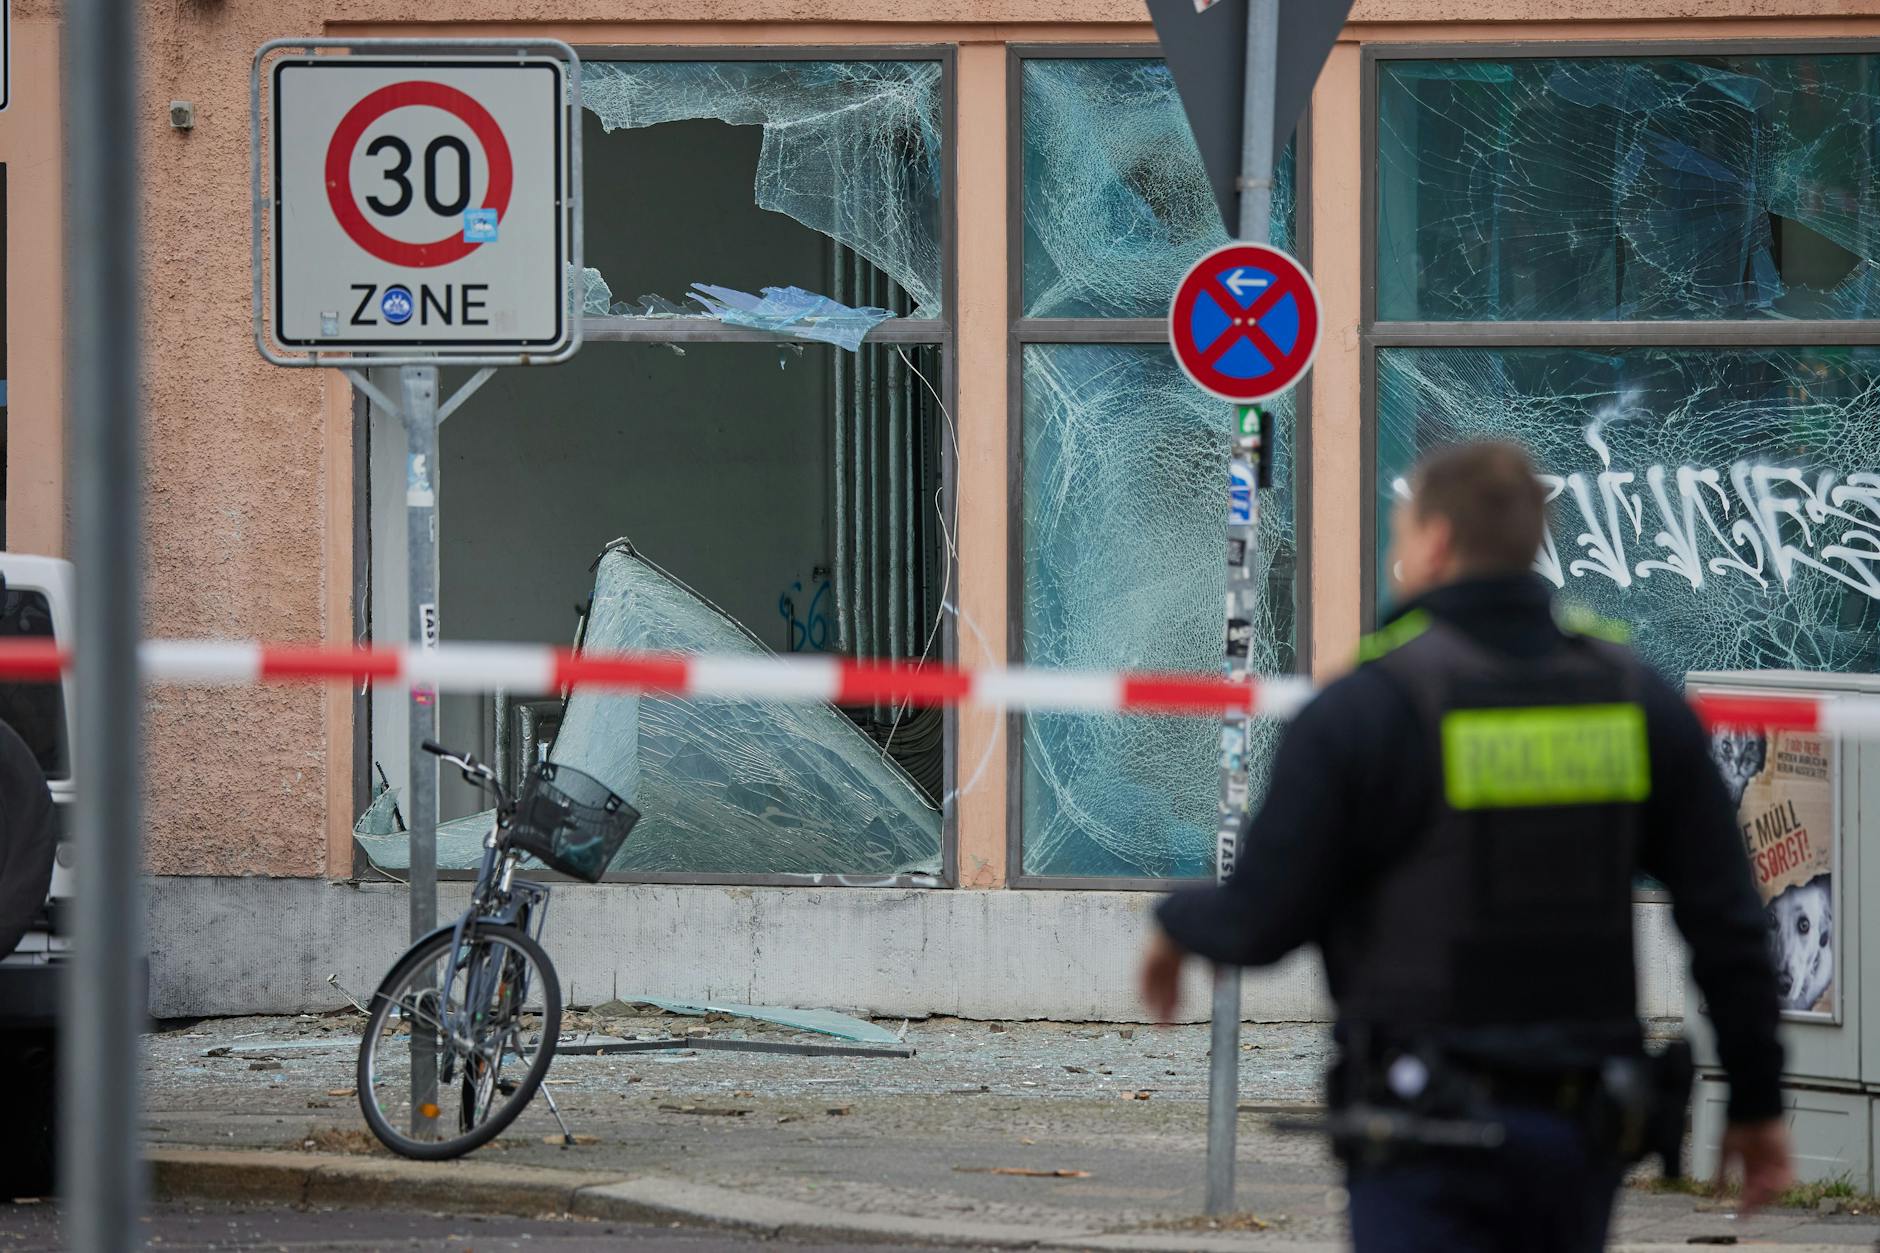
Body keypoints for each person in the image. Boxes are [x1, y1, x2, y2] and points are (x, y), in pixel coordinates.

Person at [1140, 441, 1792, 1251]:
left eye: (1400, 533)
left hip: (1422, 1137)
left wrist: (1175, 925)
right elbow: (1727, 919)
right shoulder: (1635, 701)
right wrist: (1759, 1101)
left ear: (1437, 542)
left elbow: (1263, 917)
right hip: (1578, 1136)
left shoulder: (1367, 710)